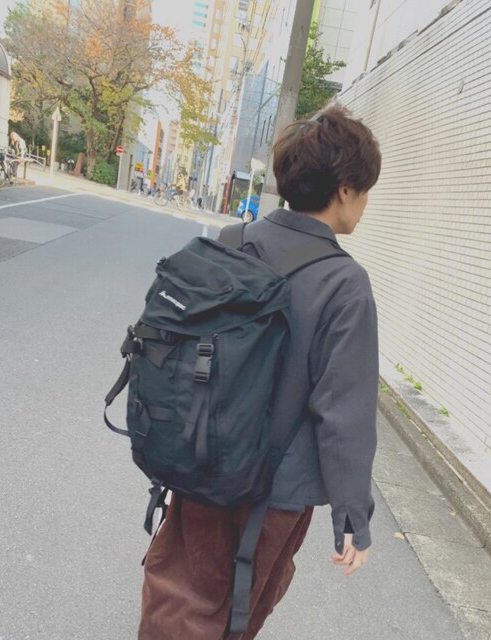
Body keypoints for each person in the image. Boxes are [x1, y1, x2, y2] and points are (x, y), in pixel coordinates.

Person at [138, 104, 382, 640]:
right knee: (237, 610)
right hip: (275, 490)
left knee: (178, 592)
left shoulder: (228, 243)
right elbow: (345, 412)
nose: (365, 205)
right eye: (365, 192)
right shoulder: (344, 284)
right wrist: (352, 516)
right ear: (345, 190)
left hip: (200, 461)